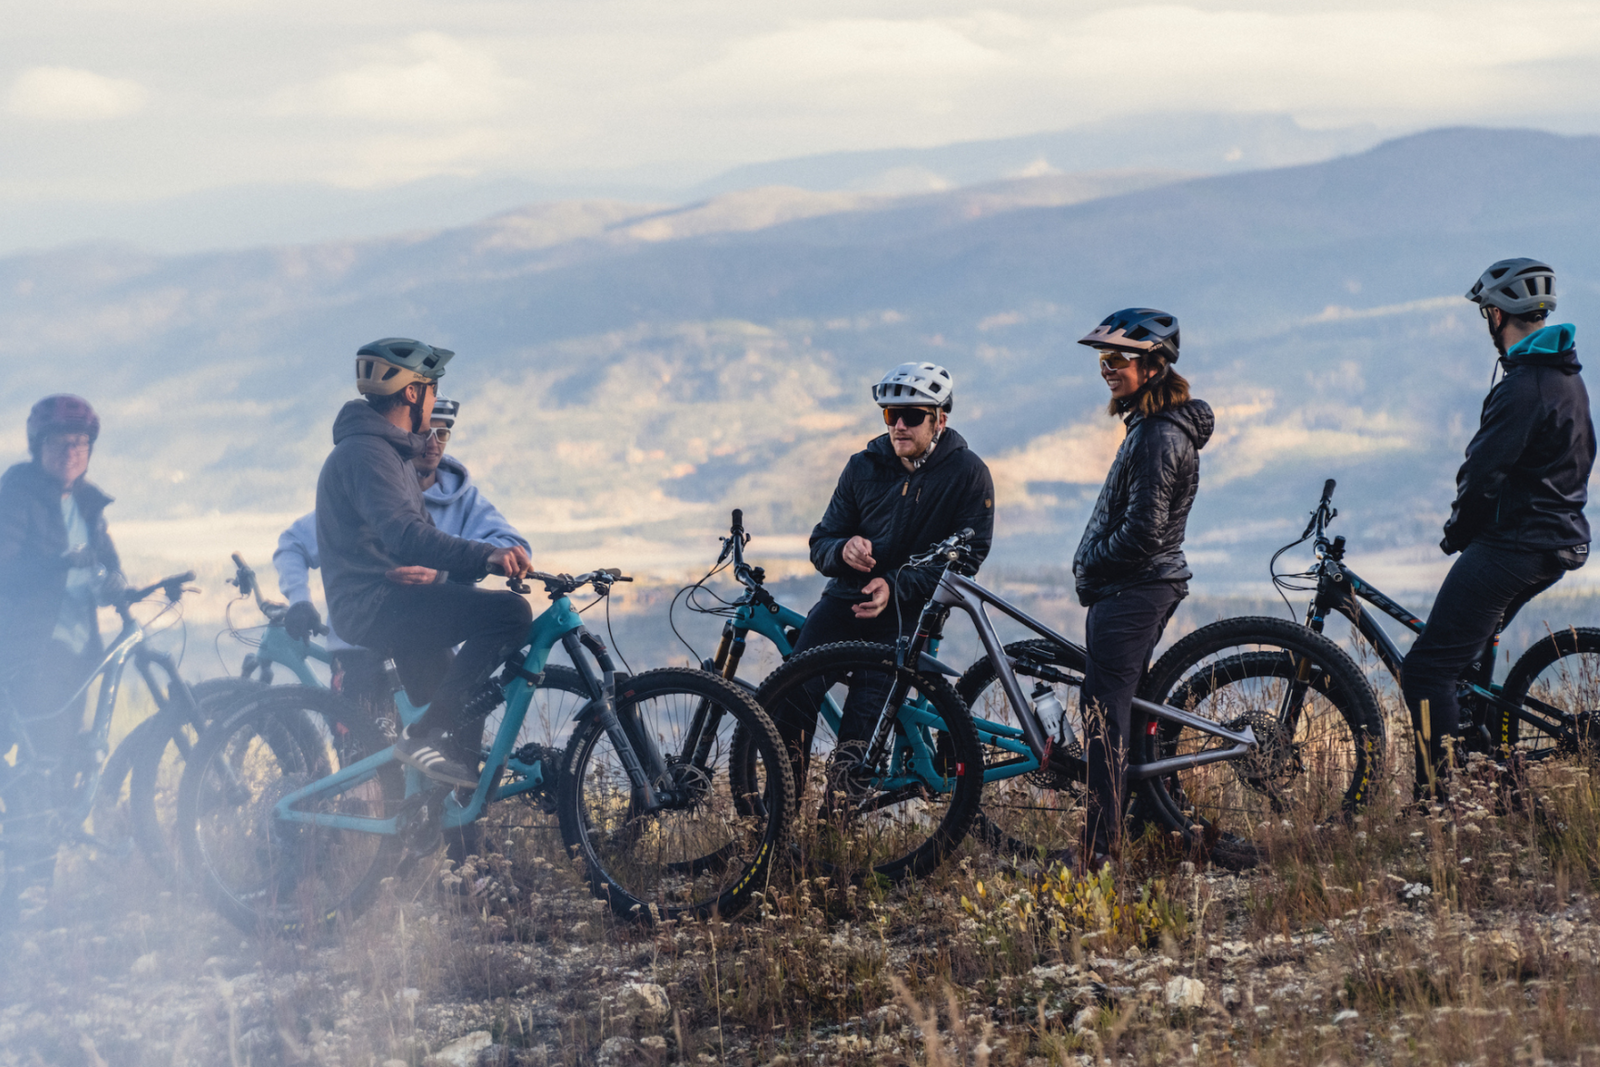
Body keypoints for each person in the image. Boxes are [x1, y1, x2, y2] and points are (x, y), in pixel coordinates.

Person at [1401, 259, 1592, 800]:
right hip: (1552, 540)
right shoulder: (1564, 376)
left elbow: (1481, 473)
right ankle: (1480, 762)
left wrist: (1458, 531)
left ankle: (1439, 803)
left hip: (1517, 544)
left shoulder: (1524, 387)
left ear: (1496, 314)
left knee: (1428, 670)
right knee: (1466, 659)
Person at [316, 338, 533, 787]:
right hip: (376, 606)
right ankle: (422, 735)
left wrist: (449, 569)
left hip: (393, 598)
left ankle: (452, 847)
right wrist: (484, 554)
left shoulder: (387, 454)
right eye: (432, 389)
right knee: (510, 613)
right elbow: (406, 534)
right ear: (412, 393)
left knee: (463, 720)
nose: (434, 401)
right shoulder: (368, 454)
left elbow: (417, 536)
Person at [780, 361, 995, 780]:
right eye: (890, 416)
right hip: (843, 604)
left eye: (912, 417)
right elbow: (821, 542)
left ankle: (836, 824)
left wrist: (894, 586)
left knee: (863, 727)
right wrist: (843, 550)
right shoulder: (862, 466)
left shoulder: (968, 473)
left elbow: (968, 558)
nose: (899, 426)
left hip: (906, 615)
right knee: (791, 700)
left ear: (939, 420)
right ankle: (779, 818)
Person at [1072, 309, 1212, 869]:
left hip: (1135, 585)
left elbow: (1143, 532)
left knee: (1101, 713)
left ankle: (1100, 851)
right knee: (1122, 710)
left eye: (1118, 360)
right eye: (1103, 360)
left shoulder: (1158, 434)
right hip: (1134, 585)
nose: (1108, 370)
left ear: (1154, 366)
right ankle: (1149, 821)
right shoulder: (1151, 426)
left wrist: (1092, 565)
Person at [0, 395, 127, 907]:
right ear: (39, 446)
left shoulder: (89, 502)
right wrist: (58, 562)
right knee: (40, 761)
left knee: (59, 762)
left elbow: (106, 565)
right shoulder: (18, 492)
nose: (71, 452)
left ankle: (31, 886)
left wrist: (123, 584)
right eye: (59, 443)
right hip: (31, 648)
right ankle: (24, 883)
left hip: (78, 652)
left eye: (80, 443)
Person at [274, 396, 530, 649]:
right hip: (359, 650)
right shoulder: (367, 488)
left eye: (442, 434)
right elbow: (293, 542)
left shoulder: (464, 501)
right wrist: (299, 599)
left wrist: (443, 573)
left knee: (445, 686)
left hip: (428, 636)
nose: (433, 443)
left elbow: (514, 549)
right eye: (427, 433)